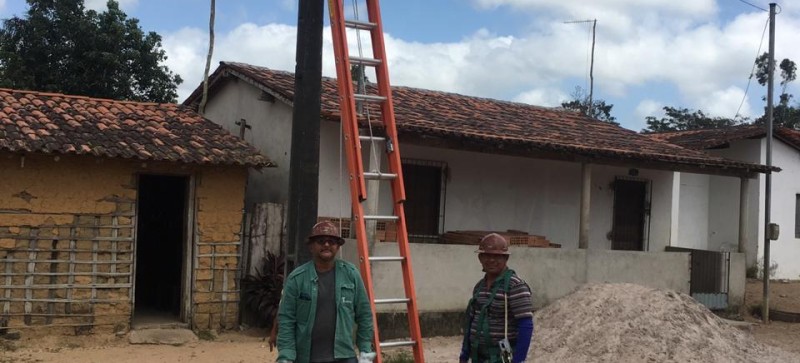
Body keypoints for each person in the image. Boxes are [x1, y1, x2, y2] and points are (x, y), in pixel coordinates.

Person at [276, 221, 376, 363]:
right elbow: (286, 319)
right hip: (306, 357)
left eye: (332, 241)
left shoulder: (351, 274)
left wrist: (365, 352)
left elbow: (364, 314)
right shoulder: (297, 279)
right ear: (311, 246)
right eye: (321, 241)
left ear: (338, 246)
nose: (327, 245)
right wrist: (286, 357)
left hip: (344, 357)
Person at [460, 233, 534, 363]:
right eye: (487, 255)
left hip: (503, 356)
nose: (491, 260)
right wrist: (464, 355)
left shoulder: (515, 286)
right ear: (480, 258)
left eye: (497, 256)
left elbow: (525, 325)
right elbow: (471, 321)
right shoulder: (479, 287)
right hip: (479, 356)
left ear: (506, 258)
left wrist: (518, 360)